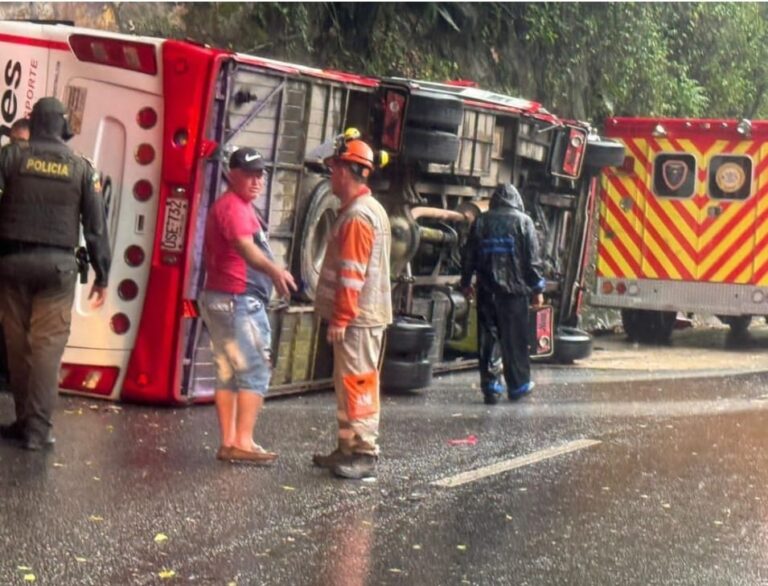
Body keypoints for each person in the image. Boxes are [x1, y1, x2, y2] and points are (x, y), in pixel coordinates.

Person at [0, 97, 111, 450]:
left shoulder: (10, 156)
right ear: (62, 126)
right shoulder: (82, 168)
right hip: (57, 269)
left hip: (12, 265)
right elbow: (95, 228)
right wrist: (102, 273)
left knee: (17, 347)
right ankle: (38, 430)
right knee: (47, 349)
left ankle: (23, 420)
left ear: (34, 124)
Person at [199, 147, 296, 465]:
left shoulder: (236, 206)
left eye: (260, 174)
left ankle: (229, 441)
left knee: (228, 373)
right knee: (254, 369)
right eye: (250, 174)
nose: (256, 181)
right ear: (232, 173)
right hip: (237, 300)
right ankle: (242, 441)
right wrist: (274, 270)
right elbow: (245, 248)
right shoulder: (235, 208)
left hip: (222, 299)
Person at [312, 130, 392, 480]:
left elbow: (352, 275)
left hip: (358, 319)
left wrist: (341, 317)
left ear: (346, 172)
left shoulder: (359, 216)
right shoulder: (364, 210)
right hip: (360, 318)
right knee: (348, 384)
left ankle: (363, 452)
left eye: (333, 170)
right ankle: (347, 447)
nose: (331, 176)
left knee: (358, 384)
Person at [460, 183, 545, 405]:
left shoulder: (481, 221)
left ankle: (491, 386)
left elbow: (469, 255)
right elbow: (532, 261)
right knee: (515, 340)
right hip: (515, 294)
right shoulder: (524, 222)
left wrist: (466, 282)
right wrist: (538, 288)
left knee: (489, 340)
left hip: (487, 292)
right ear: (516, 200)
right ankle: (518, 386)